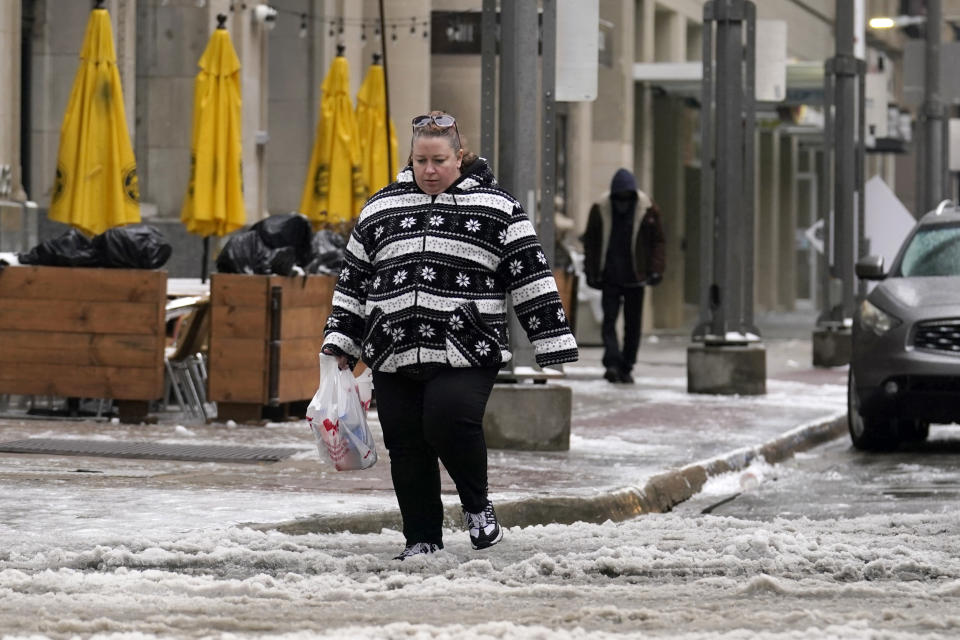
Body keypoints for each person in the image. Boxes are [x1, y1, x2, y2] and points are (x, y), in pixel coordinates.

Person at [321, 110, 579, 560]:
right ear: (411, 158)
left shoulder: (497, 207)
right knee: (405, 442)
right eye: (421, 160)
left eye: (439, 160)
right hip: (393, 349)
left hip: (467, 346)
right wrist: (341, 341)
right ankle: (421, 539)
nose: (430, 170)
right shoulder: (381, 206)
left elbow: (531, 273)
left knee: (447, 421)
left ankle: (477, 506)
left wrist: (550, 340)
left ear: (459, 156)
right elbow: (354, 280)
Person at [581, 168, 665, 384]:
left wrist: (655, 270)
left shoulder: (647, 209)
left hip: (636, 277)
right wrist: (591, 271)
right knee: (609, 321)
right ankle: (612, 363)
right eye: (620, 197)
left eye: (627, 198)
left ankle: (626, 364)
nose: (623, 203)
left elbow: (658, 242)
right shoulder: (601, 208)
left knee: (633, 324)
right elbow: (590, 241)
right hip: (610, 275)